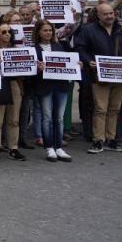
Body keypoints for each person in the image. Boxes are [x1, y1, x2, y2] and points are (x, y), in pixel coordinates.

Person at [77, 2, 122, 154]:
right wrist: (89, 61)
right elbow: (80, 48)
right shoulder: (88, 30)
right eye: (106, 14)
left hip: (120, 75)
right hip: (99, 76)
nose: (109, 16)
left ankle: (111, 139)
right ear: (98, 15)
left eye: (111, 13)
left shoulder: (120, 30)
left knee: (114, 109)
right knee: (101, 109)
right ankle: (98, 140)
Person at [32, 19, 75, 162]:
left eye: (50, 30)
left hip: (61, 86)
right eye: (45, 30)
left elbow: (70, 62)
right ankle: (49, 147)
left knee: (59, 118)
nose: (48, 32)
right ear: (38, 32)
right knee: (47, 118)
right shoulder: (33, 49)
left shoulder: (60, 45)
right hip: (44, 87)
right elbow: (29, 71)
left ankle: (59, 148)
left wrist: (77, 64)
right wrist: (37, 69)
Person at [0, 18, 26, 162]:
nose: (8, 34)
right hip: (0, 84)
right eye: (4, 32)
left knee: (14, 118)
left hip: (14, 83)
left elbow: (24, 70)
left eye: (9, 32)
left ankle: (13, 148)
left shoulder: (16, 50)